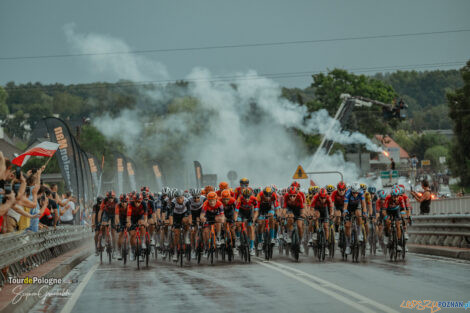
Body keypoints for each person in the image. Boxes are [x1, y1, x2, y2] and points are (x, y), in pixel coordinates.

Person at [234, 188, 258, 255]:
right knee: (238, 224)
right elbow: (236, 212)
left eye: (248, 197)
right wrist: (235, 220)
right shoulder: (239, 199)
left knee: (251, 227)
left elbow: (256, 212)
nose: (247, 198)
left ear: (251, 195)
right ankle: (238, 238)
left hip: (249, 213)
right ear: (243, 195)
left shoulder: (254, 199)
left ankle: (252, 247)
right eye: (245, 197)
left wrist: (254, 219)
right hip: (241, 213)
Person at [282, 186, 306, 254]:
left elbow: (302, 209)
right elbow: (284, 208)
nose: (292, 197)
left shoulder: (299, 197)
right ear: (288, 194)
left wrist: (303, 215)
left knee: (300, 226)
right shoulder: (286, 196)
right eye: (290, 196)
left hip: (297, 209)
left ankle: (300, 243)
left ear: (296, 194)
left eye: (294, 196)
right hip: (290, 209)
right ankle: (289, 236)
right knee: (290, 219)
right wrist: (284, 216)